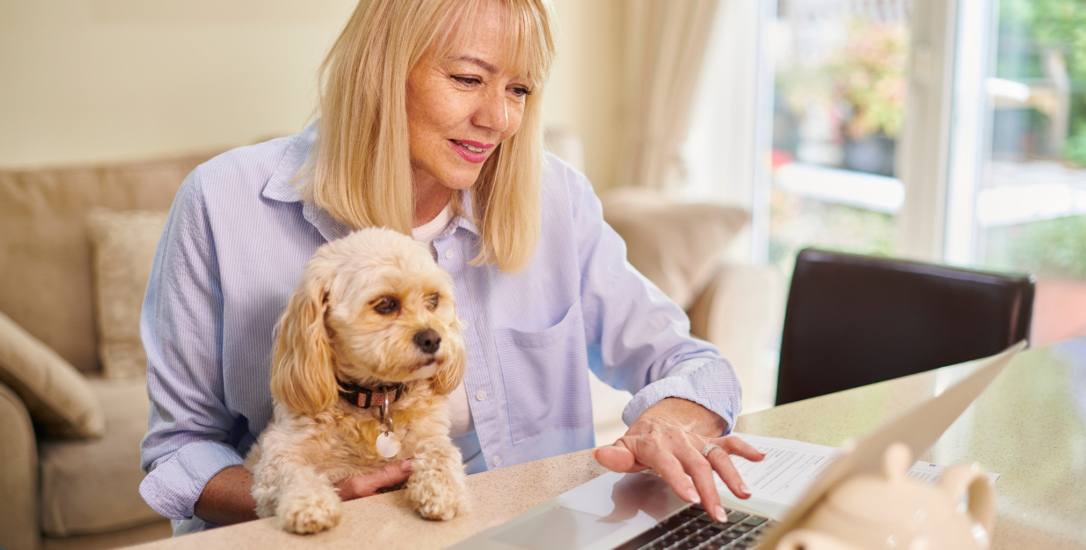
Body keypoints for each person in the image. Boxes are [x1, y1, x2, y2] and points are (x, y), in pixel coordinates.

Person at [139, 0, 764, 537]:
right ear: (380, 72)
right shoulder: (221, 201)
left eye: (519, 89)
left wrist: (673, 417)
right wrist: (299, 494)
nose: (499, 120)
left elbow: (688, 363)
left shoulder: (556, 198)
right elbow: (179, 452)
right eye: (468, 79)